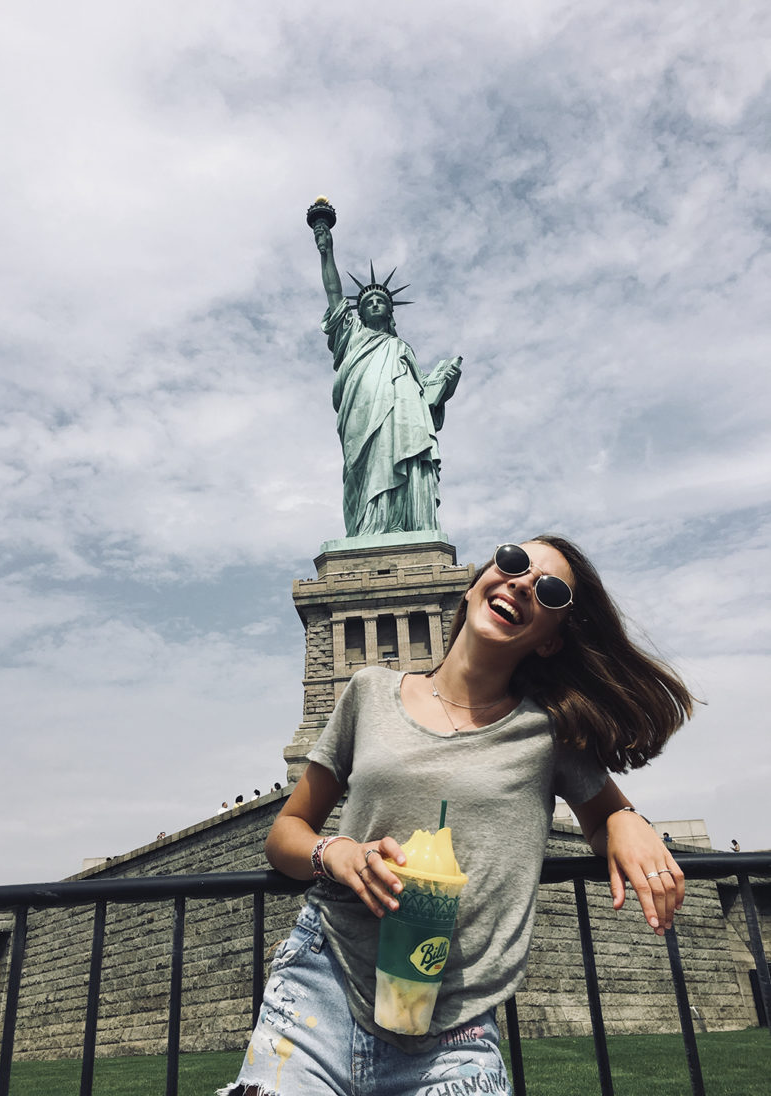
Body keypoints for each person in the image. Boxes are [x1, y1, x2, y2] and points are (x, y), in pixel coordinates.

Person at [219, 535, 693, 1096]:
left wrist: (626, 820)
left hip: (456, 1023)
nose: (522, 582)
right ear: (473, 586)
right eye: (514, 562)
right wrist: (339, 853)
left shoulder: (550, 733)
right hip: (323, 983)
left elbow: (603, 816)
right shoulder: (368, 693)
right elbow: (286, 835)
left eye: (549, 589)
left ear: (550, 641)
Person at [313, 219, 461, 537]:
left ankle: (403, 522)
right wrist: (327, 252)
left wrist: (442, 387)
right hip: (363, 413)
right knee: (369, 464)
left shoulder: (400, 347)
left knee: (405, 455)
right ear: (361, 312)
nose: (376, 304)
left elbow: (424, 396)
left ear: (389, 311)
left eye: (381, 301)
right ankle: (371, 526)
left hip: (404, 415)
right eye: (368, 302)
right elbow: (334, 294)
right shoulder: (351, 335)